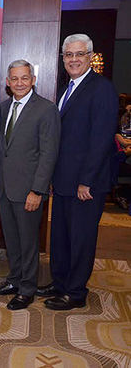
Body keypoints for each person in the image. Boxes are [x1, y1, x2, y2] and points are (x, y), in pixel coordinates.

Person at [38, 34, 118, 310]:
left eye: (79, 54)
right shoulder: (65, 89)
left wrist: (87, 181)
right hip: (62, 181)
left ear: (90, 57)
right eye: (68, 55)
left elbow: (101, 139)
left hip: (86, 183)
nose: (73, 59)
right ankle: (60, 282)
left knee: (81, 238)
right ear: (63, 59)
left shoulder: (102, 89)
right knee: (60, 235)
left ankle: (75, 292)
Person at [0, 60, 60, 310]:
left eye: (24, 78)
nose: (19, 83)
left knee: (29, 242)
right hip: (5, 189)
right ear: (8, 83)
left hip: (29, 190)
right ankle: (14, 280)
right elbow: (0, 152)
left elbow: (48, 153)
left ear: (33, 80)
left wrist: (38, 190)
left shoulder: (46, 109)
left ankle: (27, 289)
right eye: (14, 79)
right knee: (12, 240)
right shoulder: (2, 108)